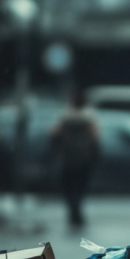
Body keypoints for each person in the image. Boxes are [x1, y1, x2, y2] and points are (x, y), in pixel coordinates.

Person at [51, 90, 100, 226]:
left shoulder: (65, 116)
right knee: (81, 186)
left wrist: (58, 151)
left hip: (68, 157)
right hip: (83, 157)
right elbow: (95, 137)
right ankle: (77, 210)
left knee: (69, 186)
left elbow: (54, 134)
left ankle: (73, 210)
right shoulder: (89, 117)